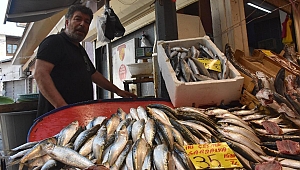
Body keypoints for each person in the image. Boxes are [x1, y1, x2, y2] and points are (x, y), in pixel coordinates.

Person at [34, 4, 136, 118]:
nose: (82, 24)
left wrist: (118, 91)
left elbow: (93, 74)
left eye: (87, 22)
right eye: (78, 19)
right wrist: (62, 107)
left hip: (80, 115)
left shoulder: (80, 49)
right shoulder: (54, 42)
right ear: (67, 22)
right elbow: (40, 74)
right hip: (57, 117)